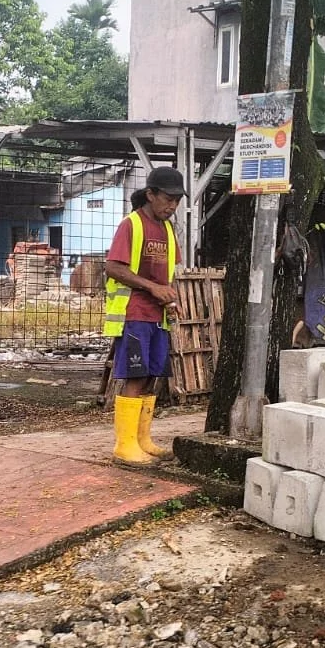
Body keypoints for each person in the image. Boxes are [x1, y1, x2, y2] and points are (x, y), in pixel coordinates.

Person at [103, 166, 185, 466]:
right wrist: (153, 288)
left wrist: (171, 299)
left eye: (177, 201)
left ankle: (143, 440)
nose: (172, 206)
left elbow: (168, 273)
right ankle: (124, 445)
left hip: (158, 315)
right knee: (135, 375)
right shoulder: (131, 225)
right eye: (168, 199)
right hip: (134, 311)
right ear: (150, 195)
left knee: (153, 374)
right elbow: (113, 267)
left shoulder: (167, 229)